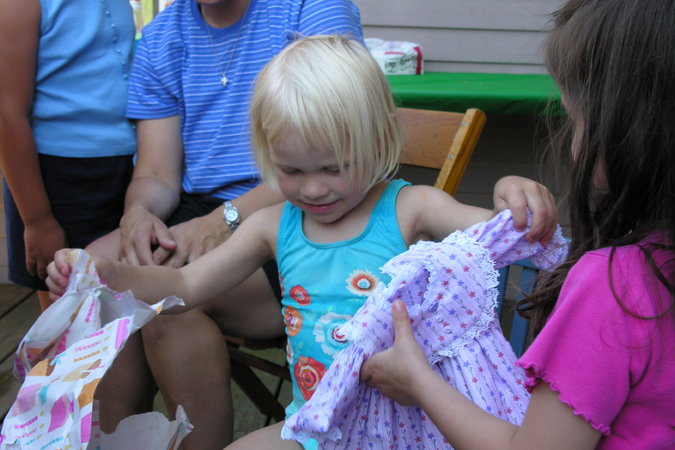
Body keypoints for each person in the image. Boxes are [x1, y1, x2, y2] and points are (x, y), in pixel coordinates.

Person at [48, 34, 559, 449]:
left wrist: (512, 192)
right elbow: (183, 285)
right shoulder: (272, 225)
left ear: (381, 139)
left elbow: (508, 230)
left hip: (406, 428)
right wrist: (110, 276)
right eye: (290, 170)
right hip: (314, 426)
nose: (312, 189)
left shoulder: (412, 208)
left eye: (334, 168)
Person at [360, 0, 675, 448]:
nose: (572, 144)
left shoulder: (616, 286)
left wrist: (417, 380)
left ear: (633, 128)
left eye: (576, 118)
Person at [81, 1, 364, 447]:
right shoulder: (162, 35)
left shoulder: (311, 8)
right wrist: (138, 213)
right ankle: (117, 440)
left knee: (170, 304)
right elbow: (157, 172)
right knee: (91, 275)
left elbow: (340, 148)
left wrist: (225, 219)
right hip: (199, 209)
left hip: (302, 209)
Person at [0, 0, 136, 310]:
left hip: (125, 165)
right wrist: (38, 220)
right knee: (68, 311)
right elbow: (7, 114)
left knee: (123, 304)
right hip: (58, 175)